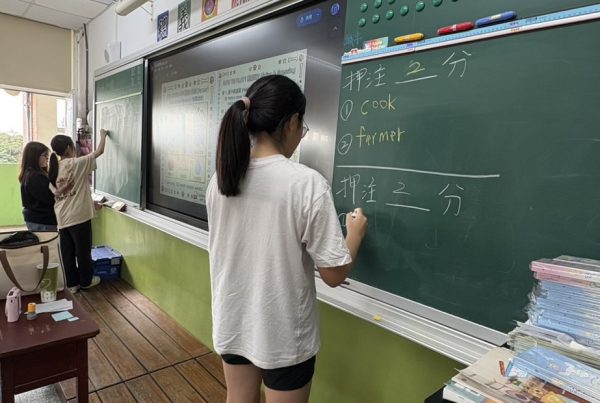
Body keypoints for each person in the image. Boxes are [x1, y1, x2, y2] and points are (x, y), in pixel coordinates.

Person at [206, 75, 368, 403]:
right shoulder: (306, 184)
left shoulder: (221, 179)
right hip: (283, 334)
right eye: (302, 126)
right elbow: (334, 274)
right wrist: (354, 235)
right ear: (292, 122)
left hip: (233, 320)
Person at [48, 129, 108, 293]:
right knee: (83, 252)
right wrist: (103, 136)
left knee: (67, 253)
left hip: (62, 217)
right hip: (79, 217)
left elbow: (64, 195)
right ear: (69, 148)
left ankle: (72, 284)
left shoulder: (53, 168)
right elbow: (99, 151)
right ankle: (86, 281)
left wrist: (91, 205)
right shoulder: (76, 163)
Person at [18, 142, 58, 231]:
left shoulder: (30, 174)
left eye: (48, 155)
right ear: (34, 156)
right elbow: (50, 198)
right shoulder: (35, 177)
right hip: (42, 220)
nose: (47, 158)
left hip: (37, 219)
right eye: (45, 155)